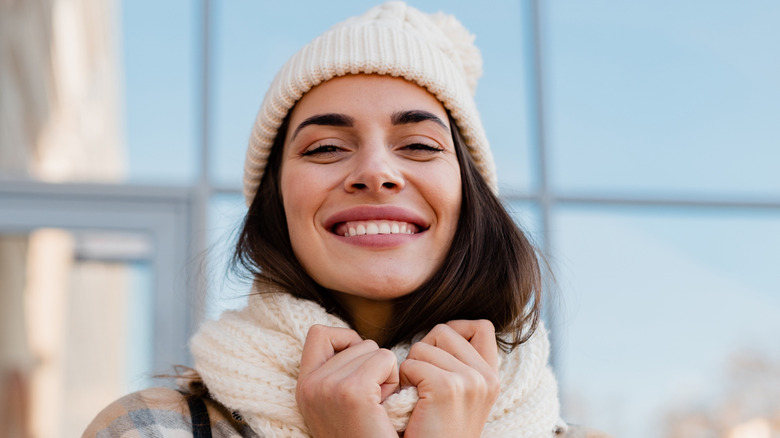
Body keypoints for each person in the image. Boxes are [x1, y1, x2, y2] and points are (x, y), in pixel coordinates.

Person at [85, 2, 608, 437]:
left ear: (469, 197)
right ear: (275, 201)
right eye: (328, 146)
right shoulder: (150, 428)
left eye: (420, 145)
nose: (376, 172)